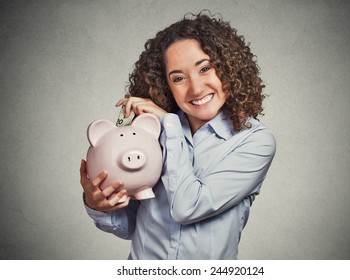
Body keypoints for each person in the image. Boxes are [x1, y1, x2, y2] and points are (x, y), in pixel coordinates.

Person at [80, 11, 276, 260]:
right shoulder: (150, 134)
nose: (195, 88)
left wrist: (169, 124)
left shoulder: (254, 141)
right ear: (165, 85)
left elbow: (188, 207)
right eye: (179, 78)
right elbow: (132, 225)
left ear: (229, 68)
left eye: (205, 68)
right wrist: (98, 204)